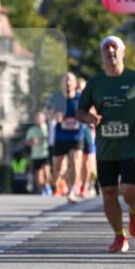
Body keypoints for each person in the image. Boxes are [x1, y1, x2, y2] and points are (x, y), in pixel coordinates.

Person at [77, 36, 135, 254]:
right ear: (102, 55)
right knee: (109, 193)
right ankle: (119, 237)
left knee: (130, 190)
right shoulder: (95, 83)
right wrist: (89, 118)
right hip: (106, 148)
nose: (110, 51)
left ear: (123, 52)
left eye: (115, 47)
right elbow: (80, 111)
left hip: (133, 144)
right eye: (106, 48)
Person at [48, 72, 85, 203]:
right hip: (60, 137)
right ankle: (56, 180)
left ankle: (71, 191)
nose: (68, 83)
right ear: (61, 84)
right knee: (57, 167)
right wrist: (54, 116)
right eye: (65, 80)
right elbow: (48, 113)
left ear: (75, 83)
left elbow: (90, 112)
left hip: (76, 136)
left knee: (75, 161)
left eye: (70, 80)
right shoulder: (56, 98)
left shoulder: (81, 98)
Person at [25, 111, 52, 195]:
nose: (39, 119)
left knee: (47, 171)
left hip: (46, 153)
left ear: (44, 119)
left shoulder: (48, 128)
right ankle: (42, 189)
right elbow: (26, 142)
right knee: (39, 176)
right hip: (36, 155)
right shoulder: (31, 130)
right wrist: (32, 142)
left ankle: (48, 186)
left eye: (40, 118)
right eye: (37, 118)